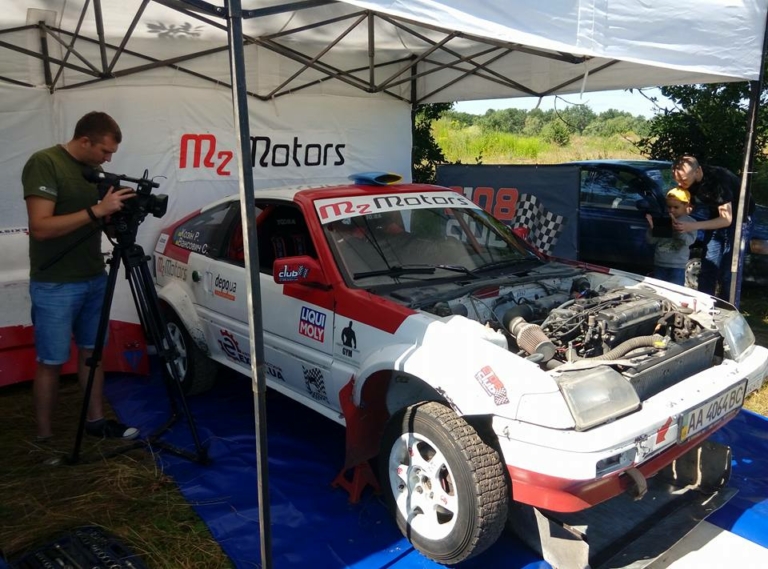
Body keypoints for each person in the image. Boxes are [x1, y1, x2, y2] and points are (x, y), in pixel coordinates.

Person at [22, 111, 139, 441]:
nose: (108, 158)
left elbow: (96, 223)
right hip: (55, 281)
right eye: (105, 151)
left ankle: (96, 421)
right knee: (51, 360)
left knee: (92, 353)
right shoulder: (45, 163)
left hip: (93, 276)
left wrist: (117, 216)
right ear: (85, 141)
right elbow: (40, 227)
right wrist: (97, 210)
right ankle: (44, 439)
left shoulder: (95, 172)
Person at [671, 155, 755, 298]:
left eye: (683, 180)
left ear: (698, 171)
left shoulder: (717, 182)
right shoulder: (688, 181)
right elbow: (689, 204)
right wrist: (685, 210)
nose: (680, 184)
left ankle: (727, 306)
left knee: (729, 272)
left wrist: (693, 226)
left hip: (739, 220)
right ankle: (704, 302)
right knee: (708, 267)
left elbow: (726, 220)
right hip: (716, 216)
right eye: (677, 180)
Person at [645, 187, 698, 286]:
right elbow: (652, 241)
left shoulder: (691, 222)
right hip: (660, 263)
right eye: (669, 207)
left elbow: (689, 241)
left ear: (686, 205)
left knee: (675, 290)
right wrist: (652, 229)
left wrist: (679, 231)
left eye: (676, 207)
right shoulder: (664, 220)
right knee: (658, 289)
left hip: (677, 266)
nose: (672, 210)